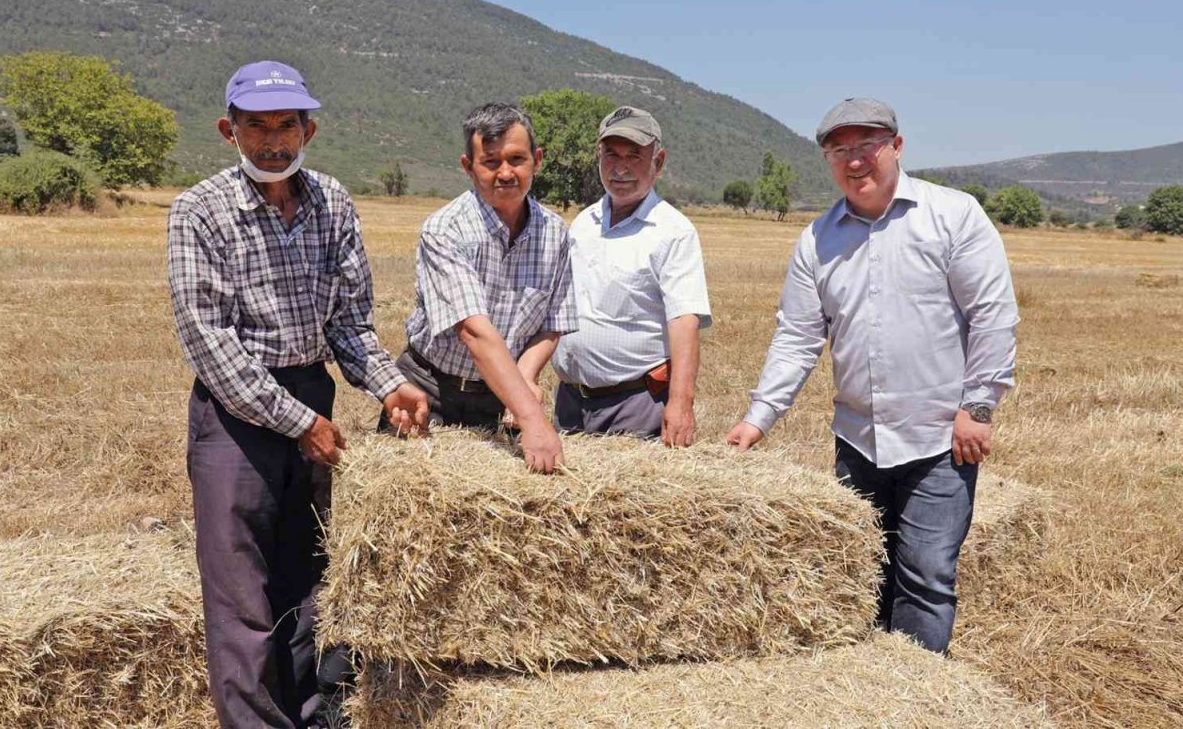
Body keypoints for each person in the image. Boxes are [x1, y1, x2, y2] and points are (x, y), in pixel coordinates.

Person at [167, 60, 428, 728]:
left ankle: (317, 717)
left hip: (313, 395)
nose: (274, 140)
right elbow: (210, 343)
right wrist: (297, 420)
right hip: (236, 419)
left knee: (312, 585)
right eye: (258, 126)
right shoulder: (199, 211)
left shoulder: (333, 202)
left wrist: (391, 382)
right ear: (230, 130)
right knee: (242, 597)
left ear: (310, 127)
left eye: (288, 124)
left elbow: (349, 326)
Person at [726, 97, 1018, 654]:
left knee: (927, 578)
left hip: (939, 442)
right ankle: (868, 693)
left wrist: (978, 406)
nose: (854, 161)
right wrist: (758, 419)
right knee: (863, 573)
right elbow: (797, 337)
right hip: (857, 441)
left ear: (897, 148)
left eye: (866, 146)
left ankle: (918, 699)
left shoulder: (953, 215)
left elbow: (993, 314)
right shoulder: (817, 239)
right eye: (840, 151)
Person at [384, 103, 576, 473]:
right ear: (468, 167)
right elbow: (474, 331)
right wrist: (532, 416)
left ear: (537, 160)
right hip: (430, 391)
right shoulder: (446, 230)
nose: (505, 172)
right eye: (490, 162)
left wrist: (523, 377)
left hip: (499, 398)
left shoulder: (556, 235)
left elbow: (553, 322)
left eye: (517, 159)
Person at [551, 106, 711, 445]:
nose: (620, 168)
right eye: (611, 155)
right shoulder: (584, 223)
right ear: (598, 156)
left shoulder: (673, 232)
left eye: (634, 156)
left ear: (659, 161)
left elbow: (685, 321)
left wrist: (681, 403)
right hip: (571, 402)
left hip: (636, 404)